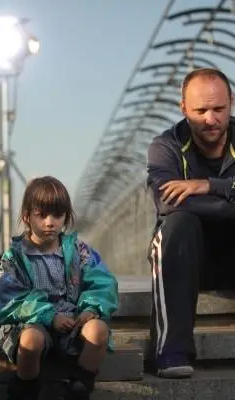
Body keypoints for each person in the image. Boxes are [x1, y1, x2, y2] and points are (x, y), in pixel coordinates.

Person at [0, 176, 119, 400]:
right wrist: (48, 316)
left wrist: (91, 308)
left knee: (98, 331)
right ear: (27, 217)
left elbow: (102, 281)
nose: (50, 222)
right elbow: (4, 299)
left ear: (66, 217)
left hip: (71, 321)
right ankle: (26, 386)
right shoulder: (16, 257)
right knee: (31, 340)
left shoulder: (78, 250)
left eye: (57, 215)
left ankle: (79, 385)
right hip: (30, 322)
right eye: (42, 215)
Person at [146, 67, 235, 379]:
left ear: (232, 102)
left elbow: (188, 198)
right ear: (183, 108)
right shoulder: (166, 147)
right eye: (200, 111)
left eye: (219, 109)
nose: (211, 119)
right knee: (178, 224)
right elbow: (168, 203)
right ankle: (171, 350)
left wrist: (208, 186)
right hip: (186, 260)